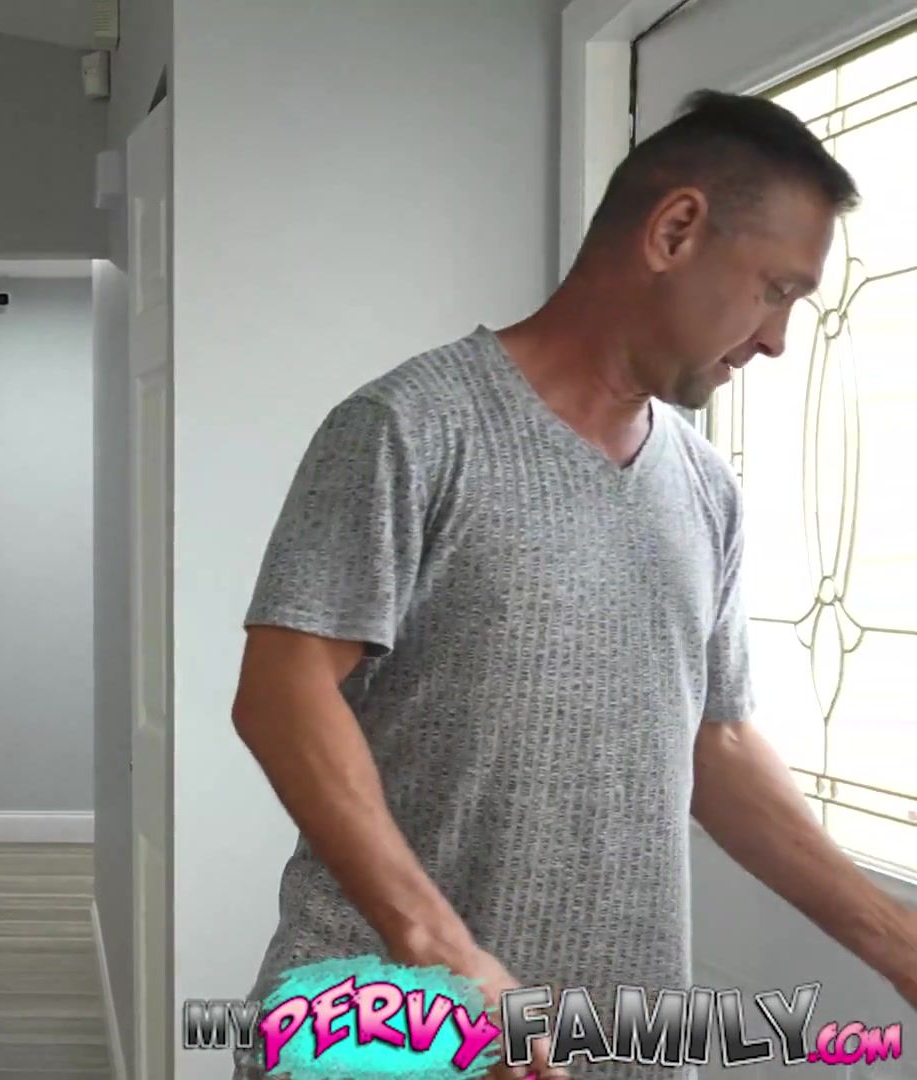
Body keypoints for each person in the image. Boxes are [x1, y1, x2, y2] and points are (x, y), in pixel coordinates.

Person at [228, 88, 917, 1080]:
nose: (776, 338)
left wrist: (899, 944)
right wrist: (441, 953)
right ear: (675, 230)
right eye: (776, 289)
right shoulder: (412, 427)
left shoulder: (707, 488)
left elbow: (716, 742)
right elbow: (280, 692)